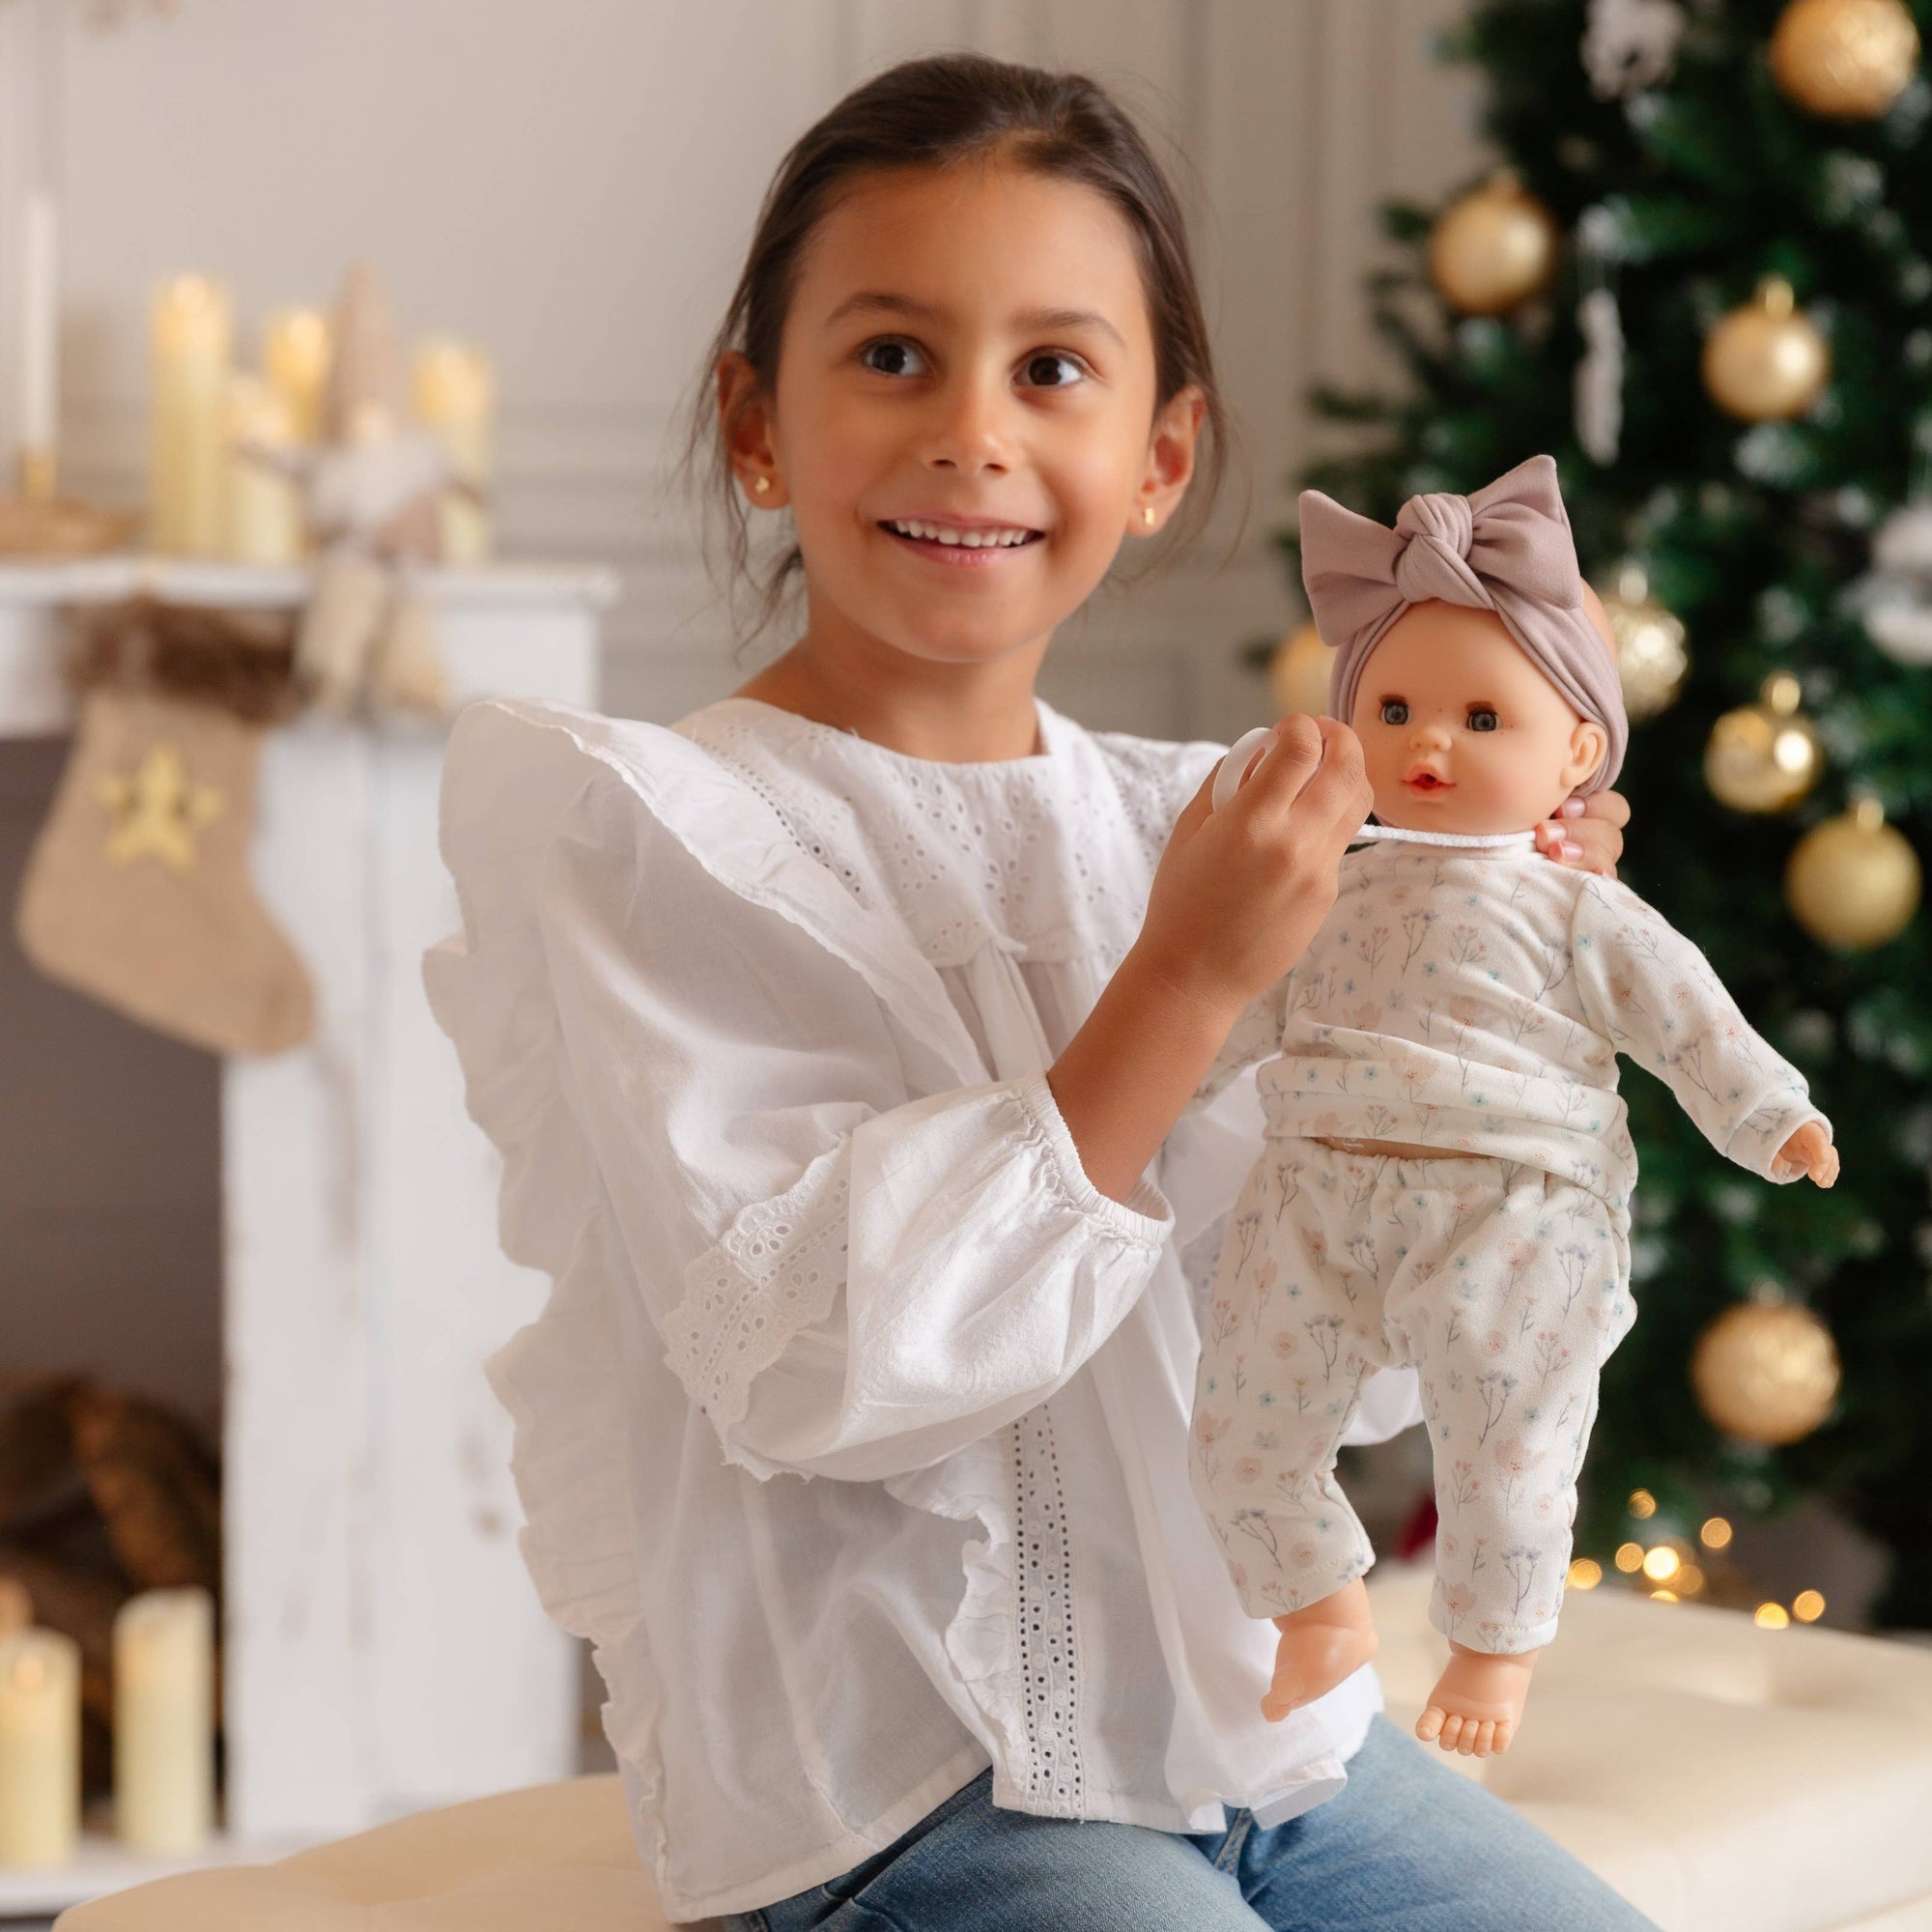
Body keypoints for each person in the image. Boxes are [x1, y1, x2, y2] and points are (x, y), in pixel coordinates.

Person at [425, 52, 1648, 1932]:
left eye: (1054, 369)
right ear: (759, 422)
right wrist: (1180, 979)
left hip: (1275, 1749)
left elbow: (1367, 1344)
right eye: (894, 355)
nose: (973, 433)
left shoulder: (1199, 820)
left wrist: (1484, 1001)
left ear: (1159, 456)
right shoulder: (651, 837)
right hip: (909, 1795)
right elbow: (813, 1361)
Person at [1190, 459, 1836, 1759]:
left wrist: (1773, 1116)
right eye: (1396, 708)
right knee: (1242, 1418)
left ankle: (1492, 1644)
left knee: (1510, 1444)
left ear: (1577, 753)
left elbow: (1685, 1016)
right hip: (1316, 1185)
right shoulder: (1322, 885)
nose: (1430, 744)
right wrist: (1163, 1087)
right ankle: (1317, 1601)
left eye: (1484, 719)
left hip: (1512, 1207)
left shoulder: (1575, 904)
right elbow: (1234, 1006)